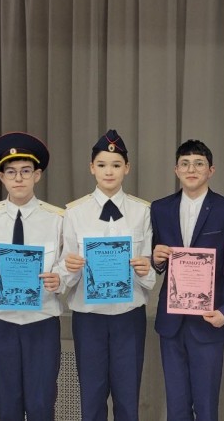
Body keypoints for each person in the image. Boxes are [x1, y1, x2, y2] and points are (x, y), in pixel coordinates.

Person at [59, 129, 154, 421]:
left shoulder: (142, 211)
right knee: (92, 398)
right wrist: (70, 268)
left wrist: (145, 269)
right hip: (89, 317)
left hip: (129, 316)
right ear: (92, 168)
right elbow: (65, 270)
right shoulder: (74, 213)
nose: (109, 171)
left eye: (115, 165)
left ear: (127, 168)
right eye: (101, 165)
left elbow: (149, 269)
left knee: (128, 398)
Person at [0, 132, 64, 421]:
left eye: (25, 171)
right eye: (11, 172)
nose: (18, 178)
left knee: (42, 400)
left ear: (37, 175)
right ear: (1, 177)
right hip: (2, 321)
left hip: (42, 320)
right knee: (6, 399)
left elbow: (66, 265)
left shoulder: (57, 219)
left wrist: (60, 278)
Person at [151, 139, 224, 421]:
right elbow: (158, 259)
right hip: (172, 322)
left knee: (206, 406)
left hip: (209, 320)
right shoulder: (160, 208)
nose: (191, 169)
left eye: (199, 163)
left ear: (211, 170)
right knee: (176, 406)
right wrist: (156, 260)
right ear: (176, 170)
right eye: (185, 164)